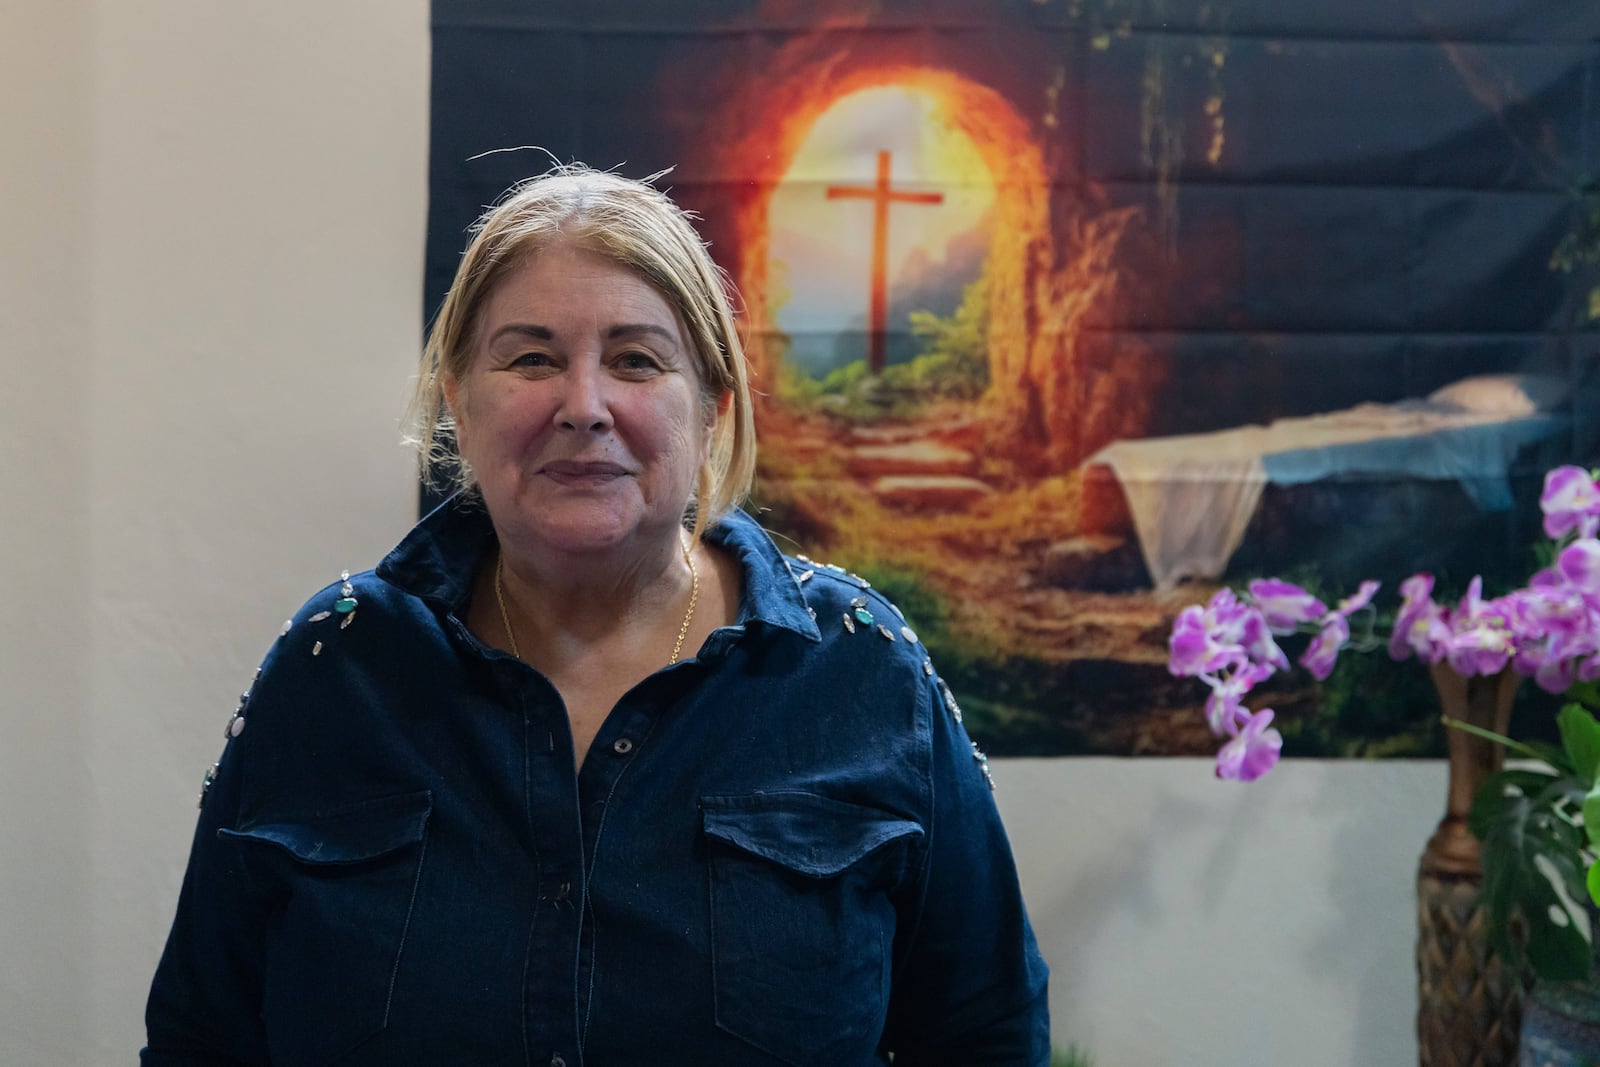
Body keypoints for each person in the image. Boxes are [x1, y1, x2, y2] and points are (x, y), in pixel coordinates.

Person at [142, 164, 1050, 1065]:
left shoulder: (862, 674)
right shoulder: (335, 671)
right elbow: (201, 1038)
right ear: (459, 396)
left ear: (711, 406)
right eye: (531, 357)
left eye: (636, 360)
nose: (584, 406)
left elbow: (986, 1032)